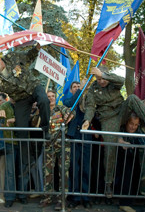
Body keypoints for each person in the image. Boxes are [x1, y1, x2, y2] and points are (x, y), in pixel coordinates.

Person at [0, 45, 50, 202]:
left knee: (44, 100)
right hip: (21, 100)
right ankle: (22, 192)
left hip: (33, 87)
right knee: (22, 136)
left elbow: (29, 56)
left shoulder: (12, 57)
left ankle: (45, 129)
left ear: (0, 60)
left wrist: (37, 47)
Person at [82, 66, 145, 199]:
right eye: (98, 79)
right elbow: (89, 106)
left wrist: (104, 75)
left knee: (133, 98)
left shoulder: (112, 81)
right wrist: (87, 120)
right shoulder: (93, 89)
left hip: (121, 111)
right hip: (108, 118)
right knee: (110, 148)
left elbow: (121, 80)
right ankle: (108, 183)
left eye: (102, 78)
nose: (101, 81)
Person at [39, 90, 75, 211]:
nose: (50, 98)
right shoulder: (43, 111)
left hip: (63, 146)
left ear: (56, 97)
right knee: (47, 172)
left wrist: (69, 115)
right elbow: (35, 121)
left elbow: (71, 112)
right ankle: (47, 197)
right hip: (49, 145)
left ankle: (61, 199)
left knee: (63, 173)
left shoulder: (61, 108)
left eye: (52, 96)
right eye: (48, 97)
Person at [117, 112, 145, 212]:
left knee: (132, 173)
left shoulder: (138, 131)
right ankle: (124, 203)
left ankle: (129, 201)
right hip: (117, 155)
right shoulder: (120, 127)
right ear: (126, 122)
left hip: (132, 156)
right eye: (131, 124)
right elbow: (116, 137)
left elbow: (144, 143)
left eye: (136, 125)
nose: (133, 127)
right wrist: (122, 142)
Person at [62, 78, 92, 209]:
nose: (77, 87)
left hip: (86, 136)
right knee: (74, 168)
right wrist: (80, 91)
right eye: (75, 86)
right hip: (74, 135)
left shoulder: (88, 99)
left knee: (86, 167)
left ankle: (85, 197)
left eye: (79, 86)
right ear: (71, 89)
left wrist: (83, 92)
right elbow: (71, 103)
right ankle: (74, 197)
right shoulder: (67, 100)